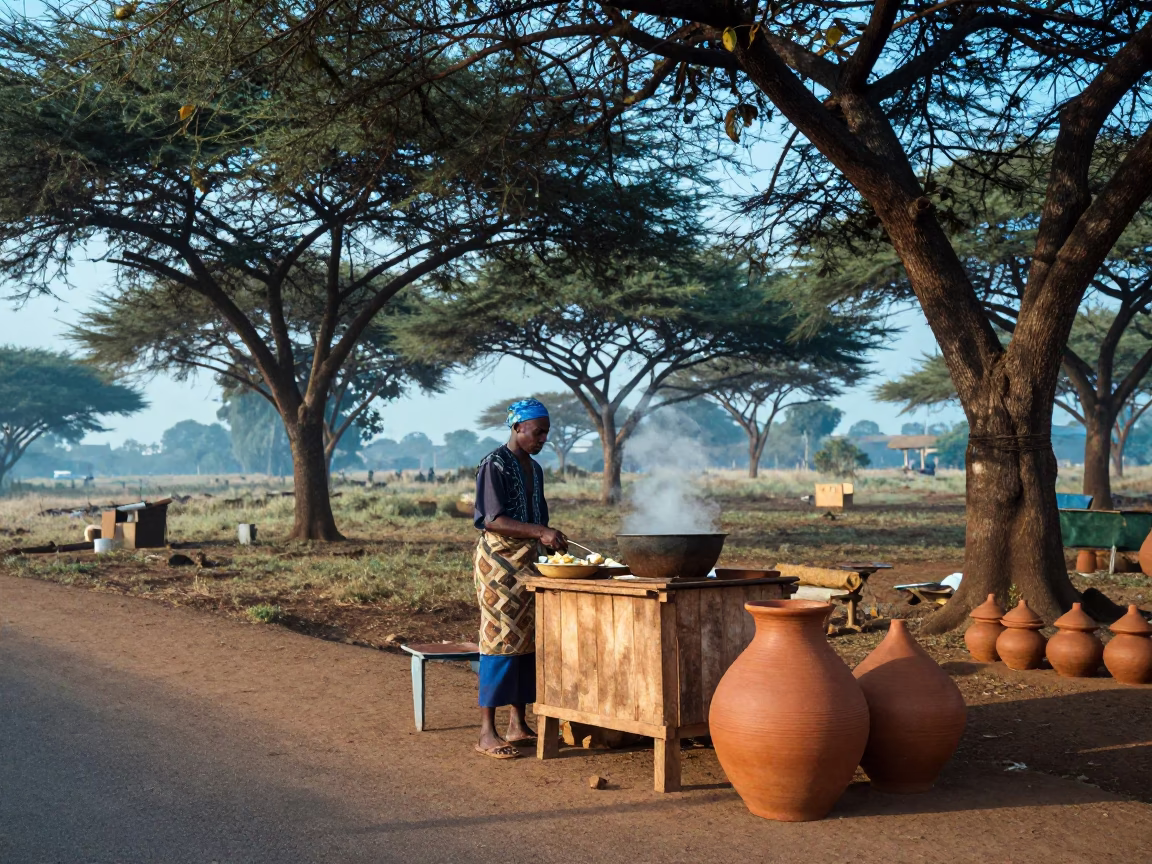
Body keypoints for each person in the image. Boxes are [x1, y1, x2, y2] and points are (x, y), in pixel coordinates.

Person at [472, 398, 568, 758]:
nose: (542, 438)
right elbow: (492, 519)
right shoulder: (493, 464)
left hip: (529, 563)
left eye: (546, 433)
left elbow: (537, 517)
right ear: (516, 427)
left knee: (528, 639)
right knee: (499, 640)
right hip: (499, 562)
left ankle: (517, 723)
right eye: (537, 431)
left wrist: (550, 540)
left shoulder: (535, 468)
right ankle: (486, 732)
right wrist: (541, 531)